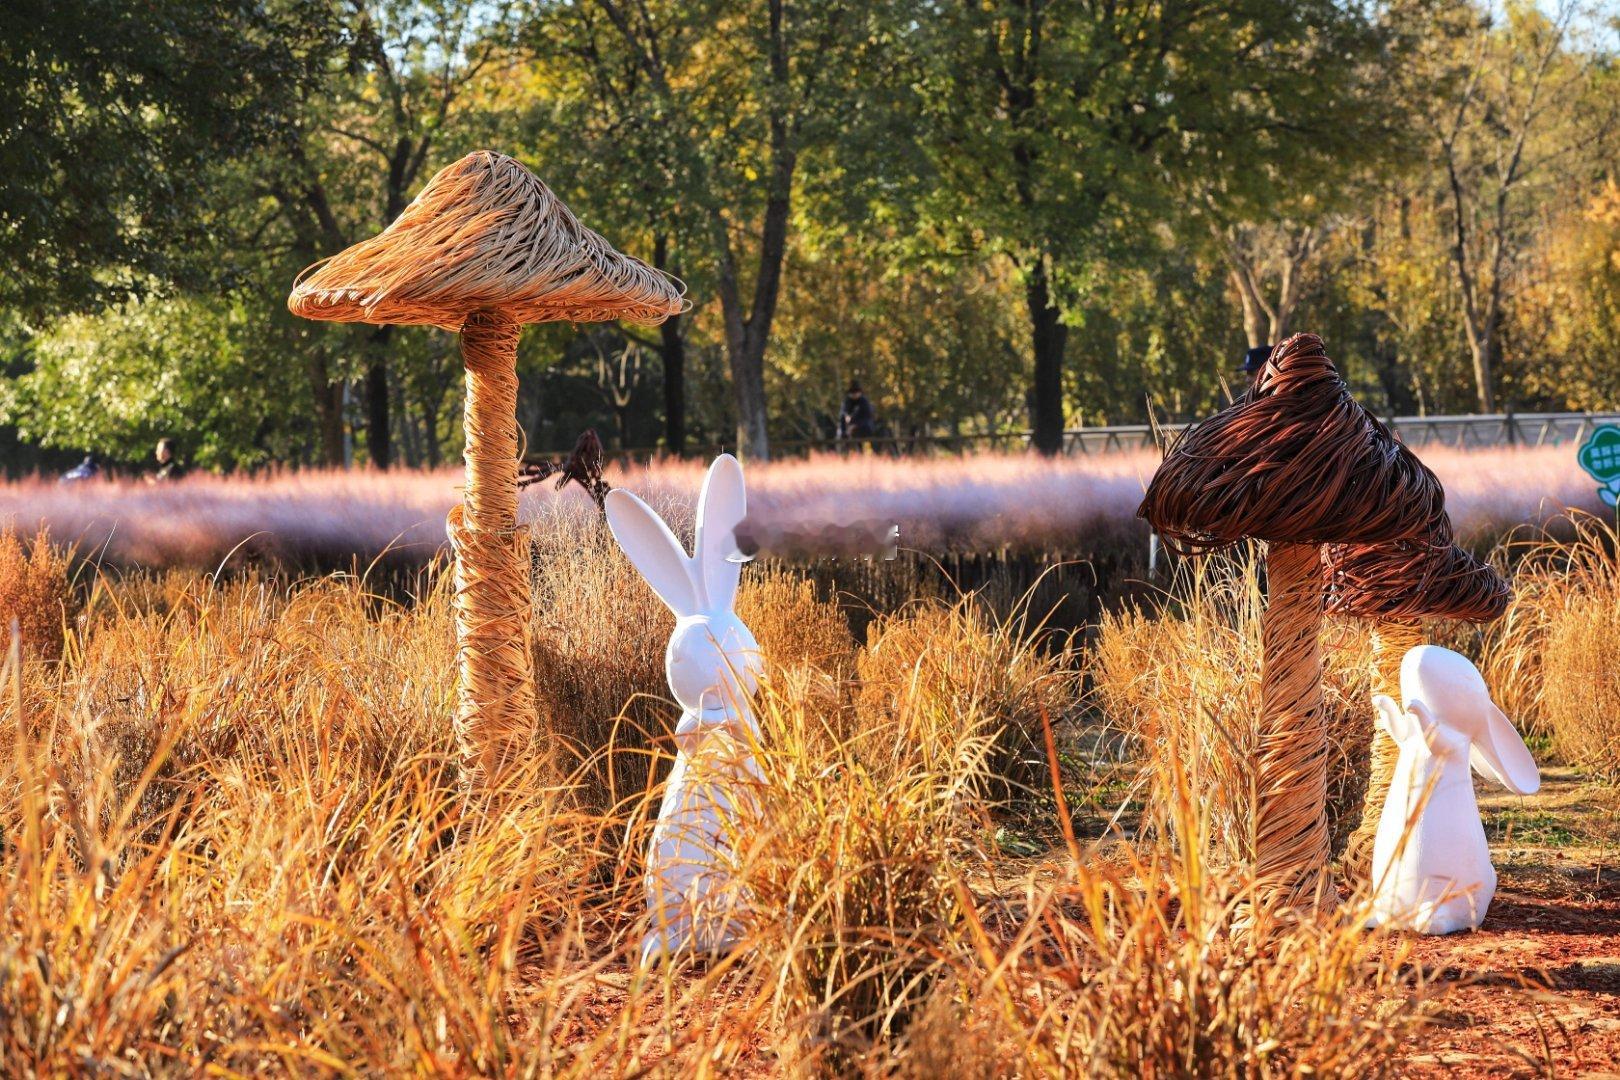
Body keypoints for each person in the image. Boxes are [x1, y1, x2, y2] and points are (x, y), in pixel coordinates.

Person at [838, 380, 875, 445]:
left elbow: (867, 417)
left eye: (855, 392)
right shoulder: (847, 401)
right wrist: (846, 416)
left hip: (863, 427)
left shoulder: (864, 402)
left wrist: (855, 426)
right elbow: (843, 413)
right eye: (852, 393)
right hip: (849, 427)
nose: (854, 395)